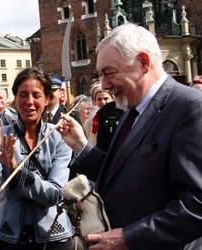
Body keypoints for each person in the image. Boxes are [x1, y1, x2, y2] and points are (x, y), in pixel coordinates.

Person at [57, 23, 202, 249]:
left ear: (143, 62)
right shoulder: (130, 110)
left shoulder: (191, 108)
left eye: (109, 73)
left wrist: (128, 237)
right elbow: (122, 173)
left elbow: (197, 205)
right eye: (100, 75)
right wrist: (81, 146)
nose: (103, 84)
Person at [0, 68, 74, 249]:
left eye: (36, 95)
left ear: (46, 99)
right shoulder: (2, 135)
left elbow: (54, 194)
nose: (29, 101)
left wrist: (15, 168)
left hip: (53, 236)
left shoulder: (59, 138)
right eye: (23, 94)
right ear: (15, 99)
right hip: (11, 236)